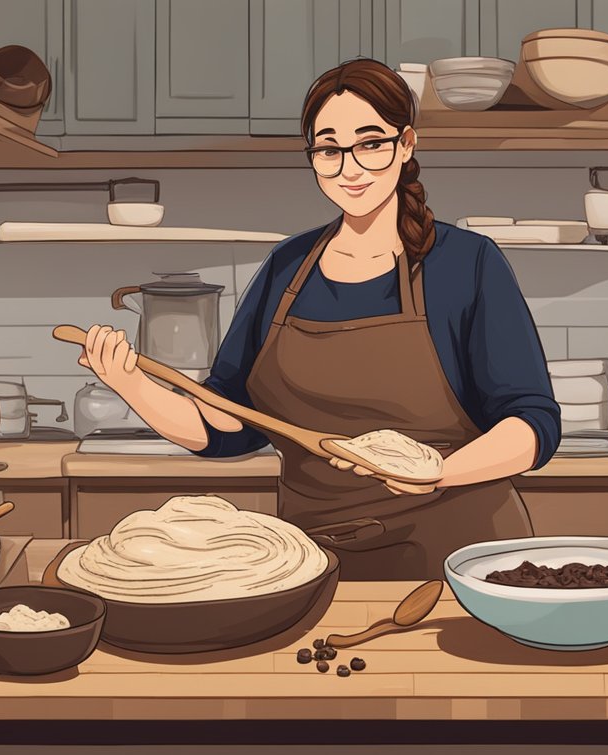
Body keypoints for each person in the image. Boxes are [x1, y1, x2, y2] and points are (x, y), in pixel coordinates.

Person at [77, 58, 561, 580]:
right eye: (329, 149)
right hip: (309, 558)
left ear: (406, 145)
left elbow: (533, 425)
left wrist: (439, 472)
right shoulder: (289, 266)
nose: (349, 168)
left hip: (461, 560)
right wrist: (130, 384)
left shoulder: (465, 263)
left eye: (370, 143)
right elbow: (228, 424)